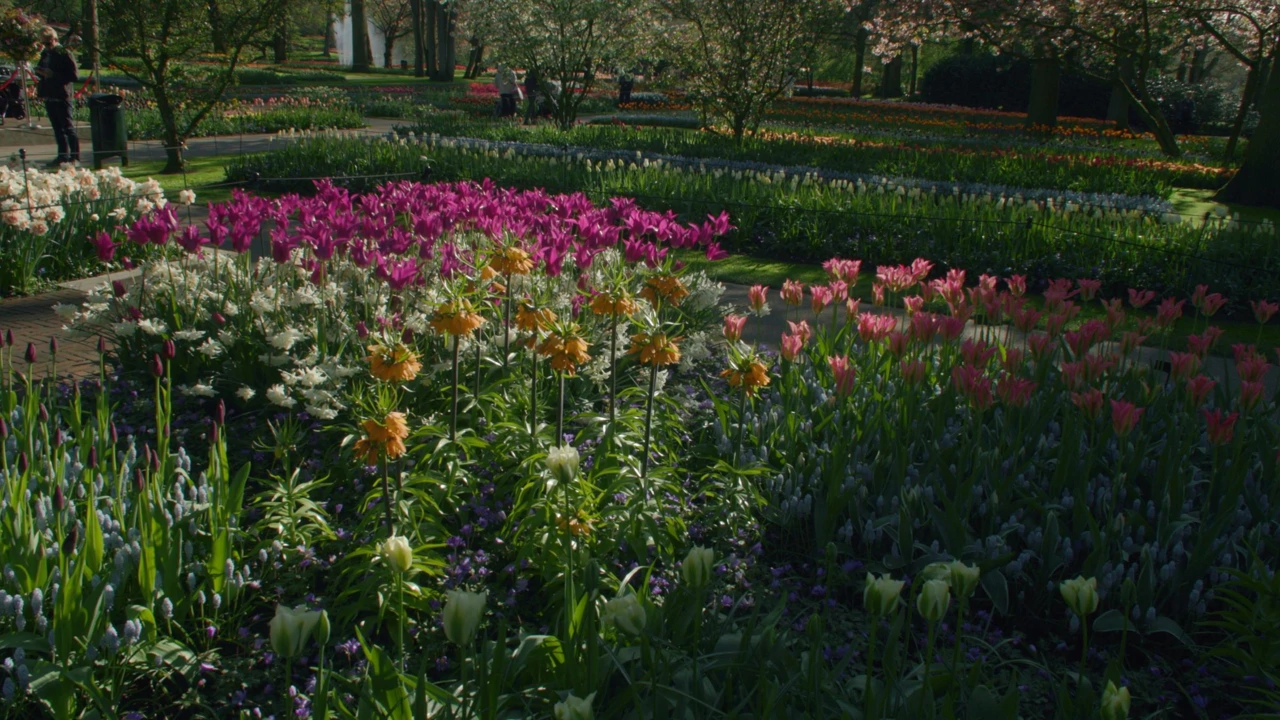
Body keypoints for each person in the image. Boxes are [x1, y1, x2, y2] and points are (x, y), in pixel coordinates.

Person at [33, 26, 79, 166]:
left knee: (67, 127)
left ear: (55, 39)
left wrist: (53, 74)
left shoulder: (64, 53)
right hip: (49, 93)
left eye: (48, 43)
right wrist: (39, 71)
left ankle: (75, 157)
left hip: (62, 94)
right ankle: (62, 155)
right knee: (57, 128)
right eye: (43, 43)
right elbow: (41, 68)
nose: (46, 46)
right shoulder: (46, 53)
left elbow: (74, 75)